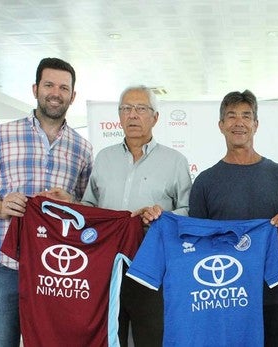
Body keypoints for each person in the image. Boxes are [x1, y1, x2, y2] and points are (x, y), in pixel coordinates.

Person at [43, 85, 192, 346]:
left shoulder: (175, 161)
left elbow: (188, 211)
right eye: (126, 109)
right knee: (109, 338)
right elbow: (90, 209)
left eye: (141, 109)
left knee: (153, 339)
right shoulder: (103, 158)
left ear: (155, 117)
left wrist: (162, 216)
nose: (133, 115)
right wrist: (72, 204)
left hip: (153, 268)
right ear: (119, 117)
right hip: (104, 269)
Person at [0, 57, 93, 347]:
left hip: (56, 272)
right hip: (5, 265)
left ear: (72, 96)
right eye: (49, 84)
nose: (55, 92)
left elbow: (87, 206)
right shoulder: (2, 134)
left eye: (63, 87)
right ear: (36, 88)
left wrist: (71, 201)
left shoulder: (82, 148)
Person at [189, 89, 278, 346]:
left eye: (246, 116)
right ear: (221, 125)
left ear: (256, 124)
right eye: (231, 116)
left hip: (271, 295)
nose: (239, 122)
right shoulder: (205, 182)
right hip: (221, 296)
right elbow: (194, 247)